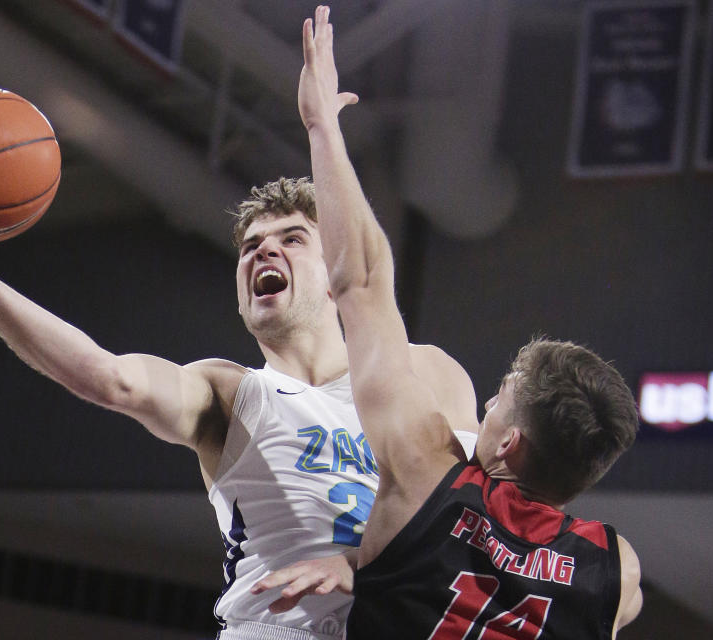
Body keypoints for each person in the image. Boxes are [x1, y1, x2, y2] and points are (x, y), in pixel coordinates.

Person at [0, 111, 476, 640]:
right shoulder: (228, 393)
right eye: (250, 248)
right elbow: (110, 379)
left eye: (291, 240)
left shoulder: (423, 372)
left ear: (335, 272)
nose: (262, 254)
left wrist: (356, 566)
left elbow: (475, 521)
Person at [253, 6, 642, 638]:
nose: (483, 406)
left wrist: (322, 125)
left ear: (511, 444)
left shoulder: (422, 474)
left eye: (497, 402)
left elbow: (362, 284)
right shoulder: (616, 572)